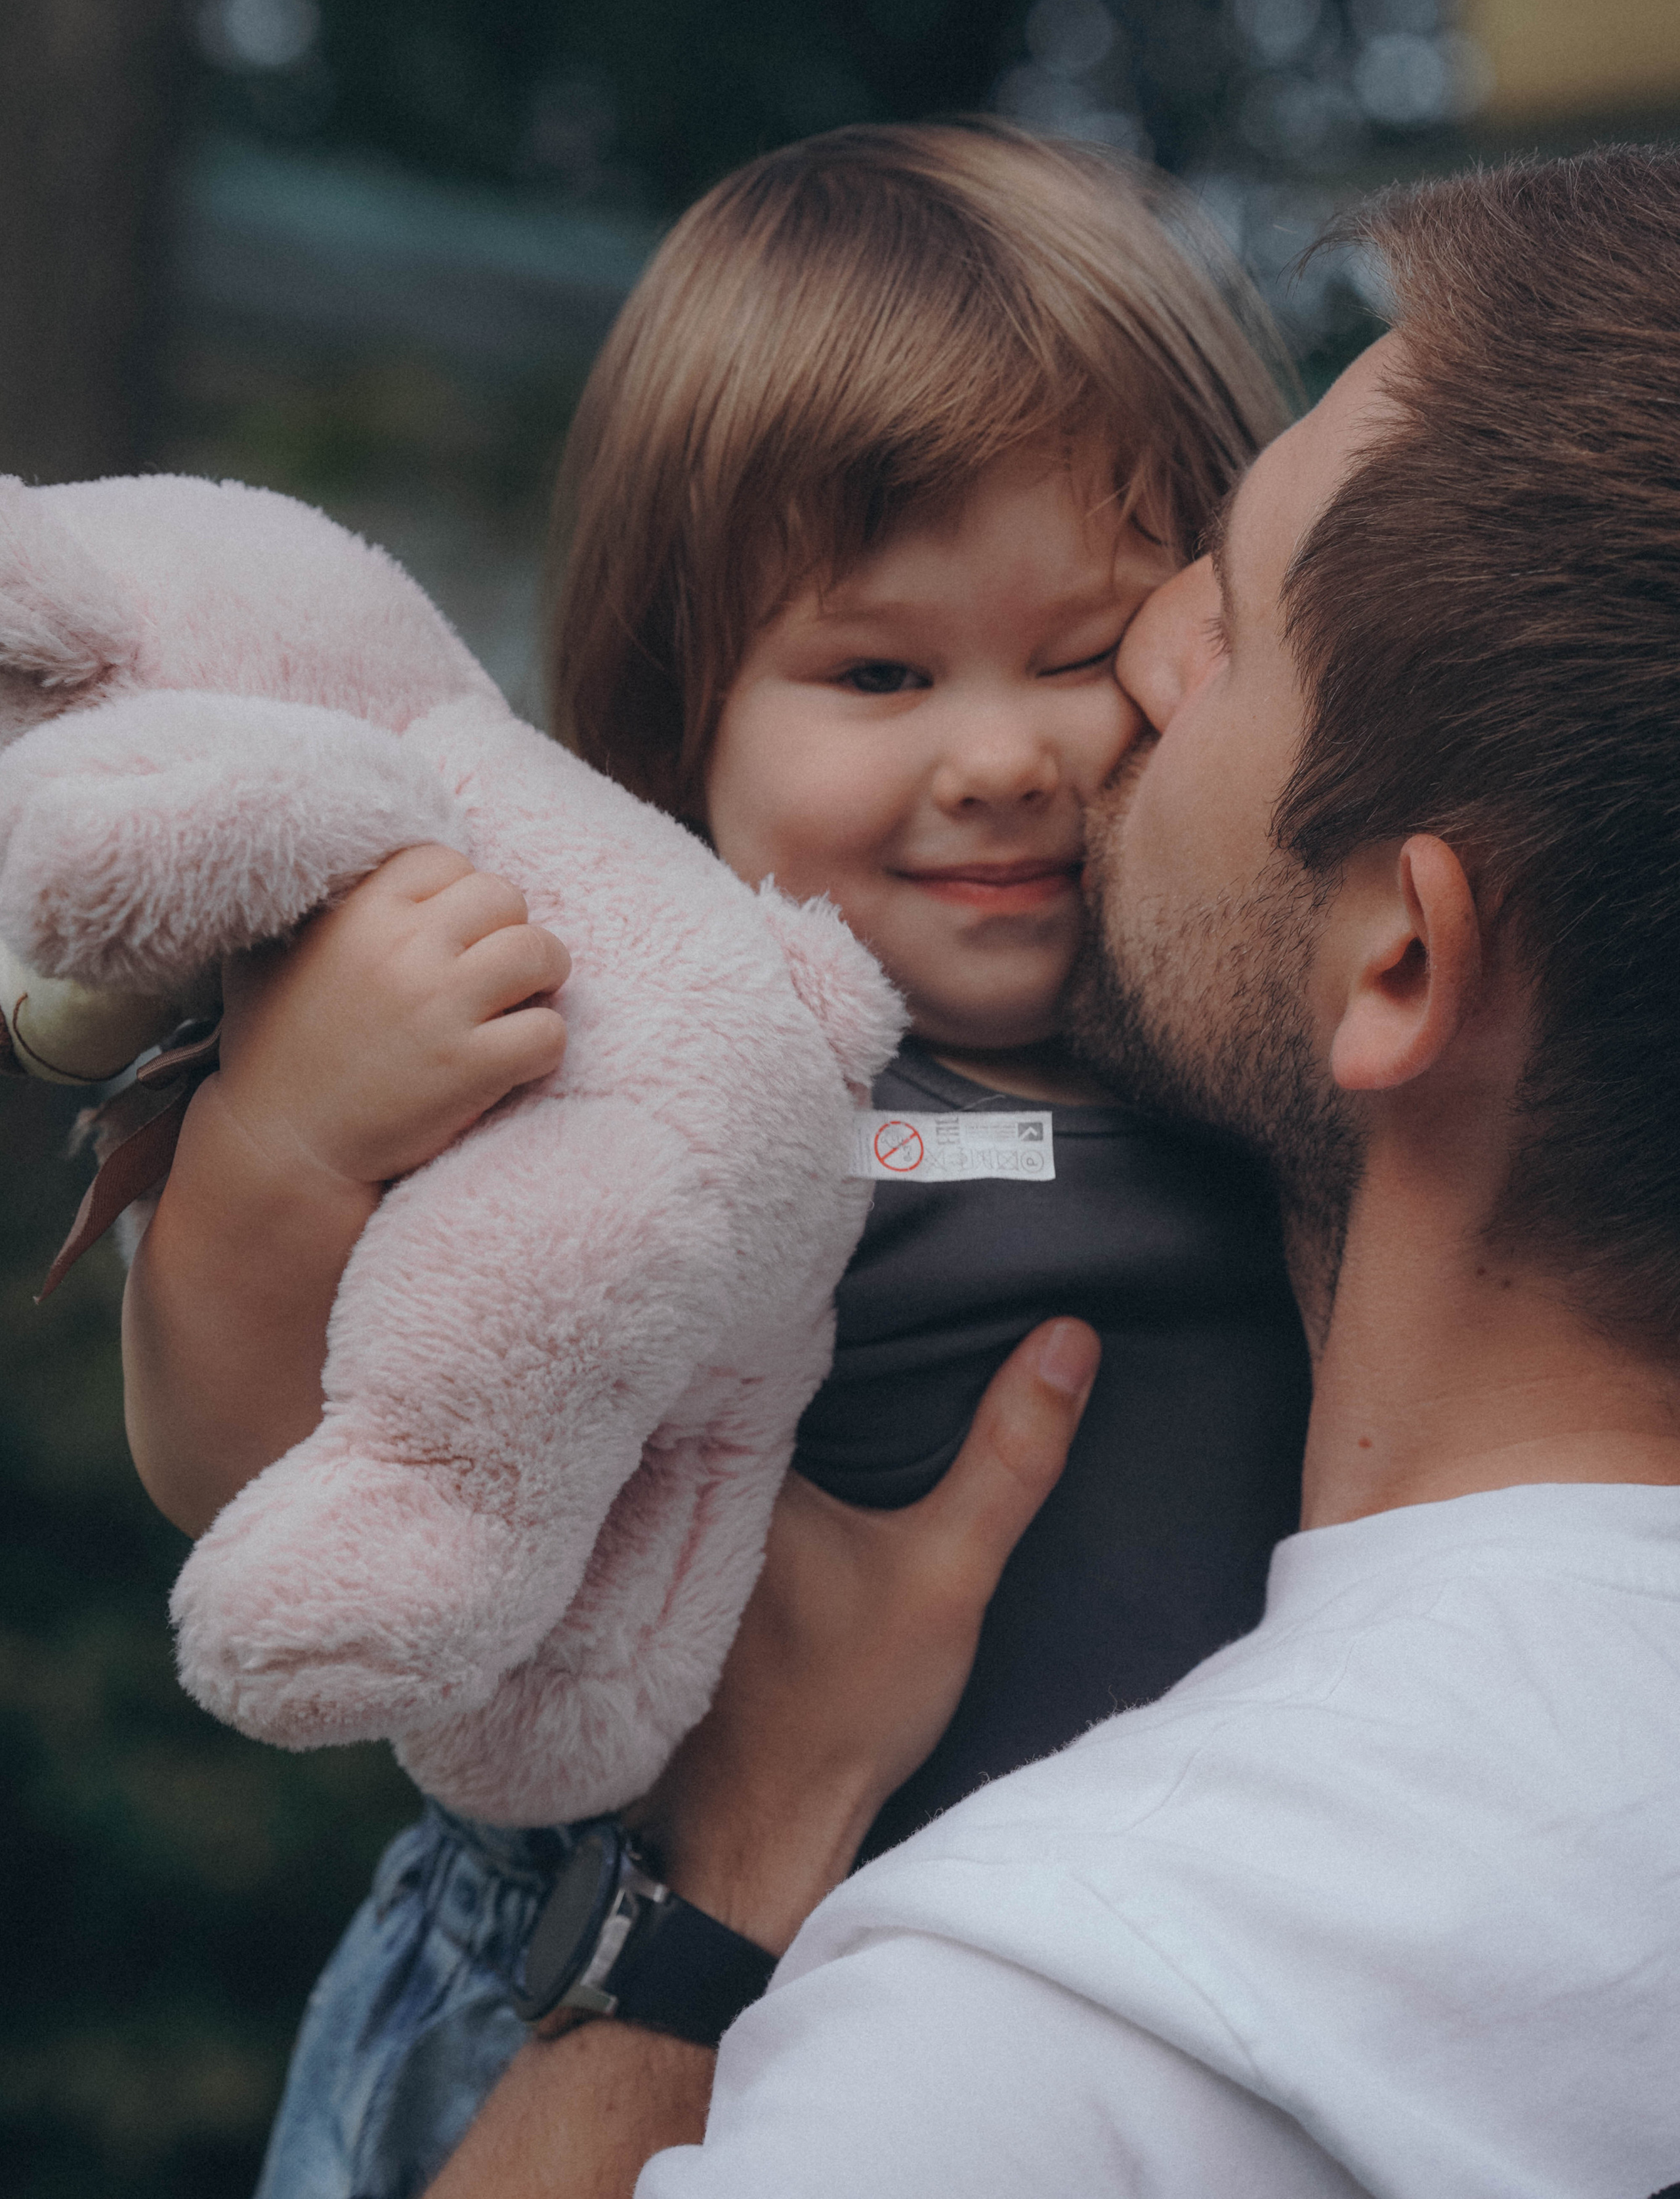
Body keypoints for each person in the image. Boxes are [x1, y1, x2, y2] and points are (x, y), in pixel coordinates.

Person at [425, 146, 1680, 2198]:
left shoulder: (1063, 2035)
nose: (1108, 708)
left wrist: (719, 1891)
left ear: (1397, 957)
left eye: (1230, 625)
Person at [121, 124, 1313, 2194]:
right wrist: (294, 1137)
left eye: (1083, 652)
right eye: (878, 673)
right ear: (684, 727)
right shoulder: (671, 1067)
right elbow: (253, 1459)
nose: (1003, 752)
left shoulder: (1277, 1062)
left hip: (1103, 2028)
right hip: (613, 1994)